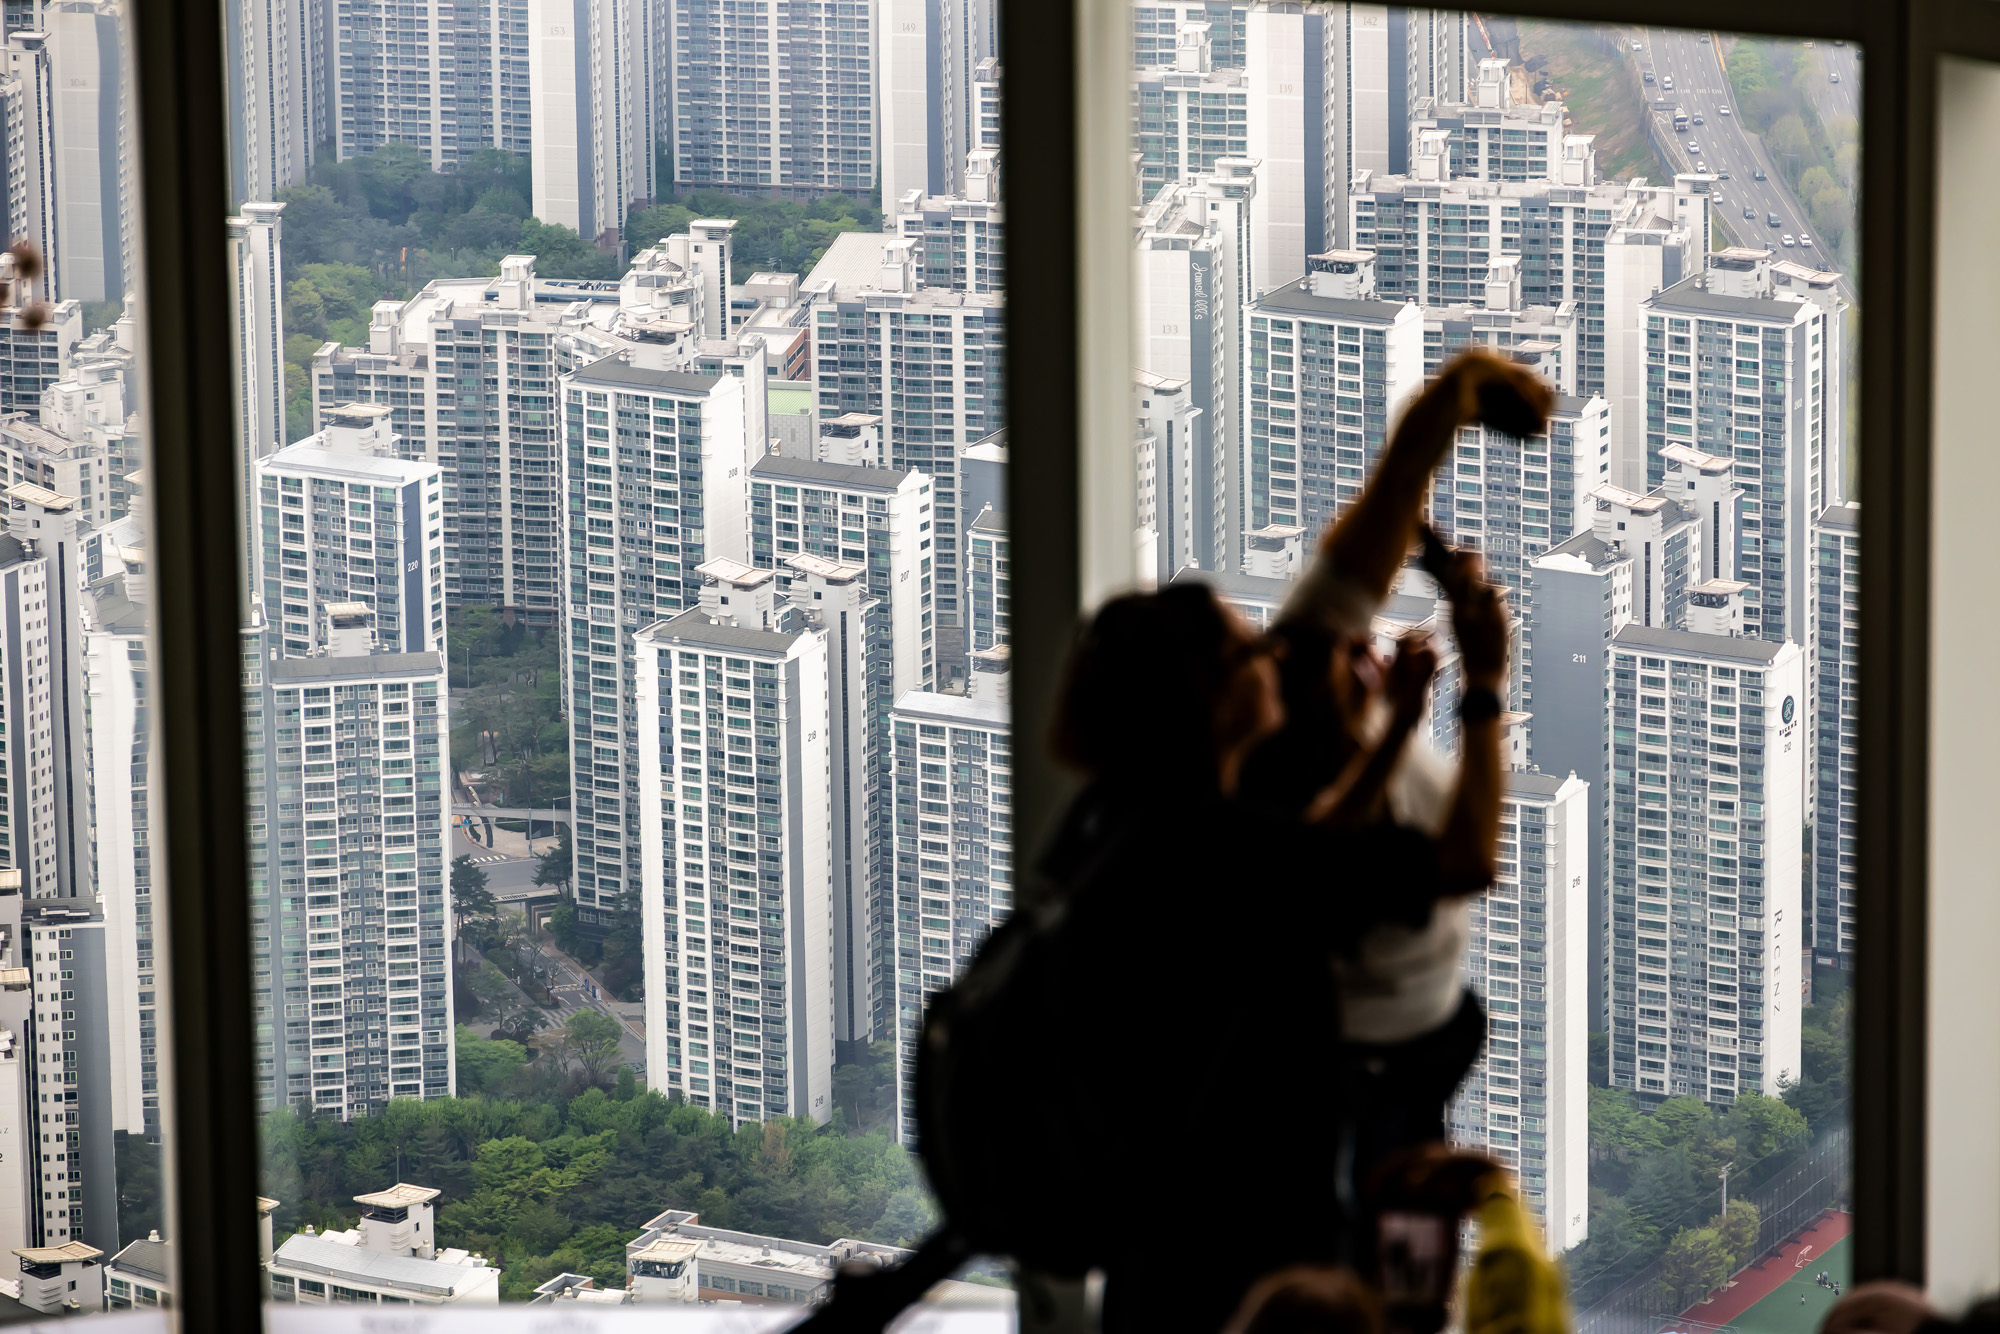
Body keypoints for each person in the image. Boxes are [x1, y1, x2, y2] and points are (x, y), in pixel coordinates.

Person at [1239, 349, 1554, 1206]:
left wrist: (1459, 390)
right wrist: (1483, 684)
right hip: (1364, 1075)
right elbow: (1469, 860)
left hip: (1408, 1045)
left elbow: (1376, 522)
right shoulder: (1302, 811)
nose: (1365, 640)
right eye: (1352, 651)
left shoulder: (1295, 672)